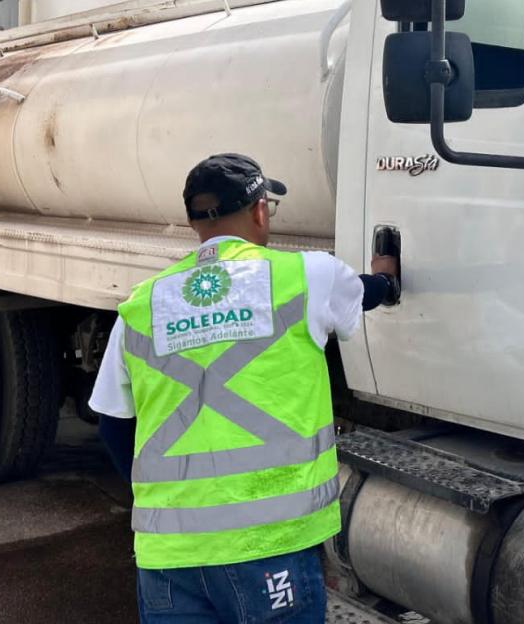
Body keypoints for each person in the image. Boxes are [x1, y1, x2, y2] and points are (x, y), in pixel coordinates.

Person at [89, 153, 398, 623]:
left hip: (169, 557)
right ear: (259, 212)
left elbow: (112, 423)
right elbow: (365, 291)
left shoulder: (139, 305)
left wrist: (164, 505)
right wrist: (385, 276)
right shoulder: (306, 276)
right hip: (271, 546)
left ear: (192, 222)